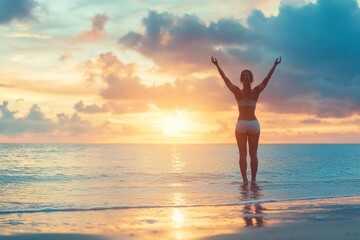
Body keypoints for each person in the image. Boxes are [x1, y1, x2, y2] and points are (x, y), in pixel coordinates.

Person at [211, 56, 281, 184]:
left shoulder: (237, 92)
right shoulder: (256, 91)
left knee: (242, 155)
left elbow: (225, 79)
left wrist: (217, 65)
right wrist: (275, 65)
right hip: (253, 124)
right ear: (252, 79)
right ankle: (254, 180)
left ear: (241, 79)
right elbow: (267, 78)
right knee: (253, 154)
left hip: (241, 124)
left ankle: (244, 181)